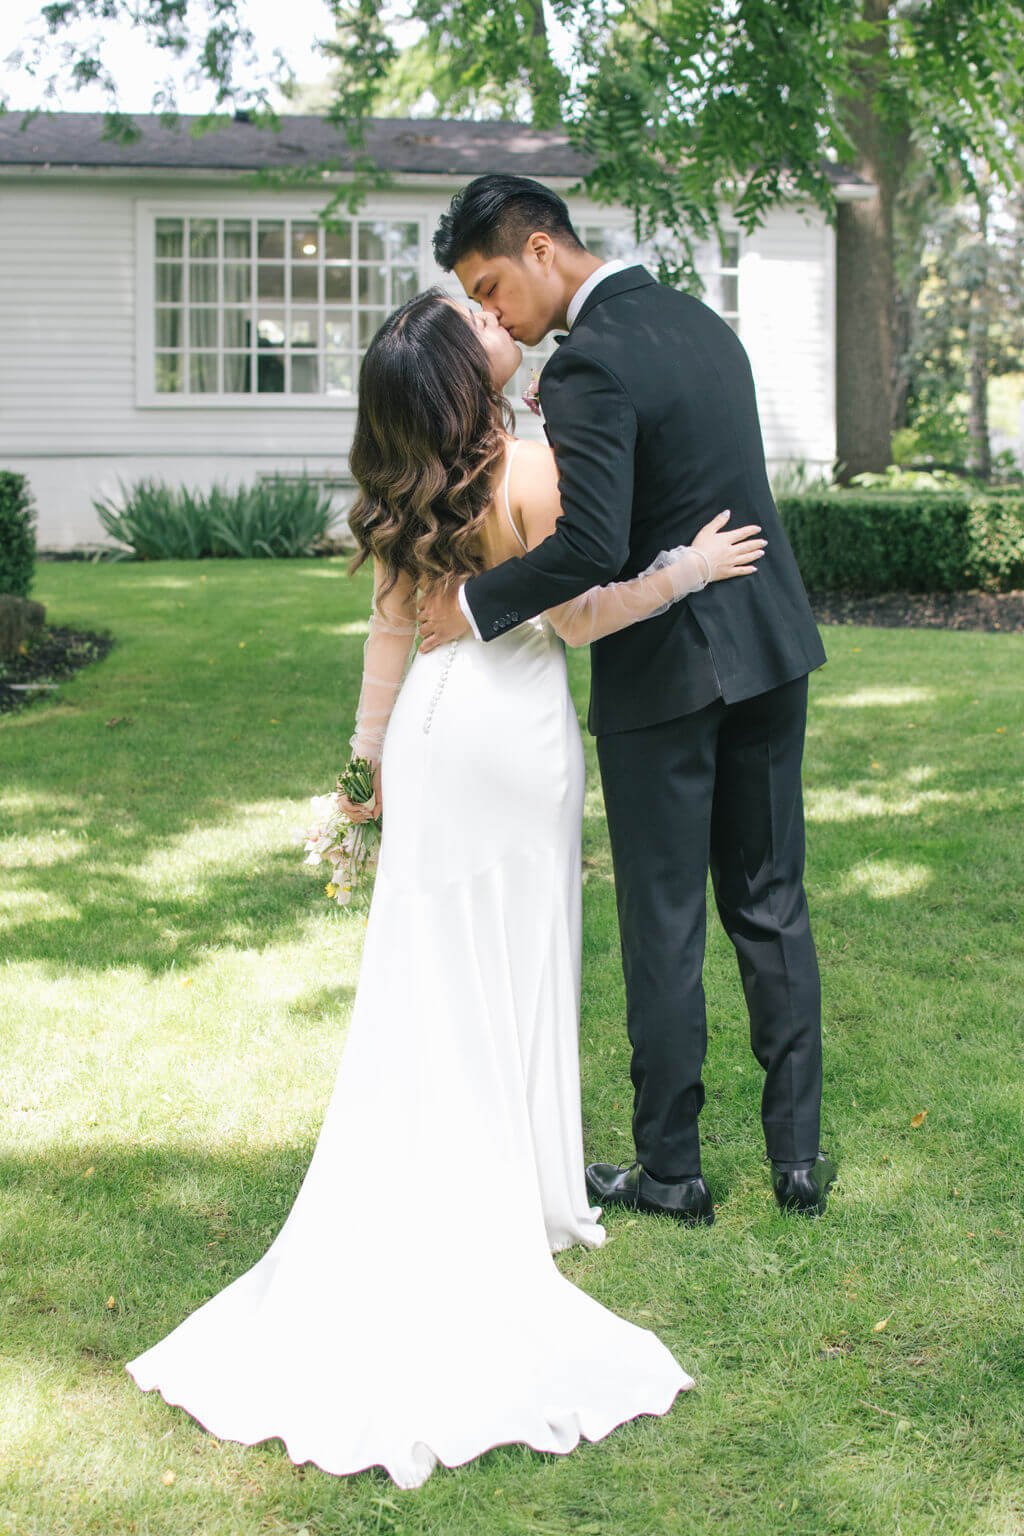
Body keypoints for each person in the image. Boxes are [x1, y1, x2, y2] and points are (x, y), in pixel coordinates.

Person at [124, 289, 766, 1489]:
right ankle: (517, 1186)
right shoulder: (529, 468)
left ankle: (474, 1164)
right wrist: (681, 571)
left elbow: (387, 639)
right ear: (464, 380)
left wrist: (362, 766)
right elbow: (576, 617)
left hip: (428, 738)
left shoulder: (403, 489)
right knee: (516, 948)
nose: (489, 320)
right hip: (514, 738)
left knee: (428, 963)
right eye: (469, 321)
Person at [419, 174, 836, 1224]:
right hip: (770, 649)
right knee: (769, 903)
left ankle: (672, 1172)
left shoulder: (588, 362)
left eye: (491, 284)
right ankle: (795, 1159)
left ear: (543, 248)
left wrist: (474, 604)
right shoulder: (704, 323)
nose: (496, 313)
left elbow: (591, 545)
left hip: (664, 676)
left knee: (661, 924)